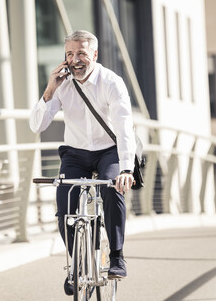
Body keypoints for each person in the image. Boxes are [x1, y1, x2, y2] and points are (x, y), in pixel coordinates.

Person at [29, 30, 136, 296]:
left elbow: (124, 129)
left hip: (108, 151)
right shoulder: (63, 84)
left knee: (113, 190)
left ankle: (116, 256)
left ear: (94, 55)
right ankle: (77, 264)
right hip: (75, 153)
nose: (75, 60)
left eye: (81, 54)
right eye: (70, 54)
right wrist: (50, 88)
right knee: (64, 204)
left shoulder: (112, 82)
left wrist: (125, 169)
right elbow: (36, 125)